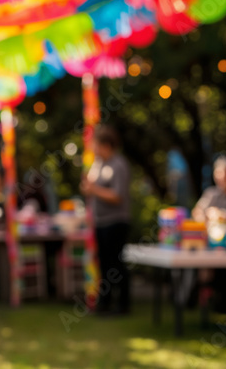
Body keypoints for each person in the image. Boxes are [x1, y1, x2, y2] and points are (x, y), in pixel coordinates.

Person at [81, 125, 131, 315]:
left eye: (97, 145)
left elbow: (118, 196)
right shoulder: (98, 164)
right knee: (103, 264)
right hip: (100, 221)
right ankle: (105, 303)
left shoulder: (119, 165)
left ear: (107, 145)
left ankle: (123, 304)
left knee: (116, 264)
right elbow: (91, 188)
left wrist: (94, 190)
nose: (94, 149)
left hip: (116, 221)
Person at [193, 156, 226, 222]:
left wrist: (224, 216)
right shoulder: (210, 193)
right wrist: (206, 216)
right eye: (219, 173)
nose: (223, 177)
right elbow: (197, 211)